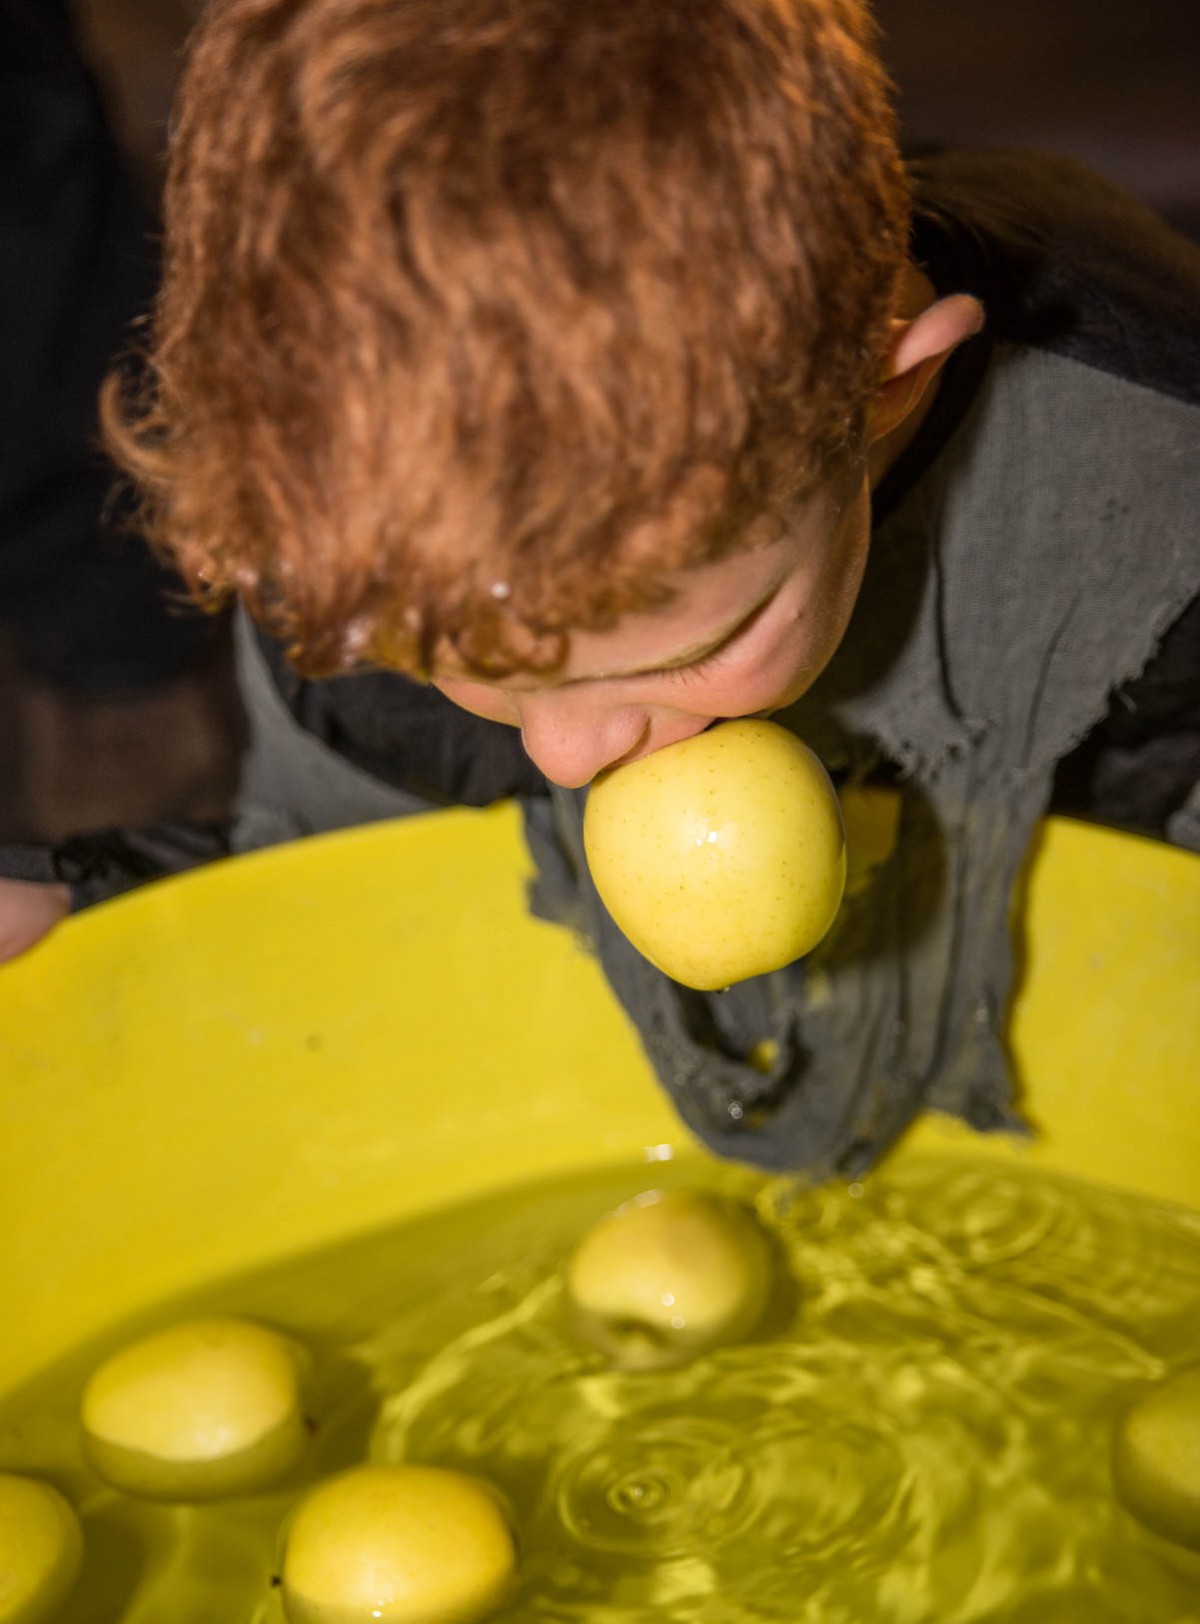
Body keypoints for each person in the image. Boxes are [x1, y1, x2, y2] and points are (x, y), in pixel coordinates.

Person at [2, 0, 1197, 1173]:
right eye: (467, 668)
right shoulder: (364, 564)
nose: (568, 754)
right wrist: (99, 905)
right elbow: (335, 876)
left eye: (680, 650)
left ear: (884, 392)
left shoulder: (1149, 465)